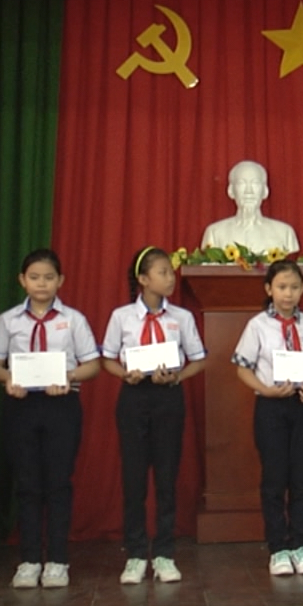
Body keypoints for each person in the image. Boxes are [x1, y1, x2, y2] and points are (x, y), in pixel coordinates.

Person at [0, 249, 101, 589]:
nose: (41, 284)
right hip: (21, 405)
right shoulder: (8, 320)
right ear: (22, 280)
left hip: (61, 405)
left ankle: (58, 560)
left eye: (49, 278)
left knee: (58, 482)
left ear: (60, 281)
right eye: (34, 277)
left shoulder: (74, 319)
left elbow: (92, 365)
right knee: (27, 483)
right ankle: (29, 560)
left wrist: (69, 376)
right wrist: (8, 378)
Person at [101, 246, 209, 585]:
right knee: (134, 479)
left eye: (170, 272)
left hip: (168, 397)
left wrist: (177, 377)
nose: (170, 278)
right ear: (143, 279)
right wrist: (125, 375)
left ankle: (164, 553)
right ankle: (135, 554)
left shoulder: (182, 318)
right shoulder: (122, 316)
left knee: (166, 477)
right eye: (162, 272)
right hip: (134, 397)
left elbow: (199, 359)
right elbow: (107, 358)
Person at [232, 260, 303, 576]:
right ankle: (277, 547)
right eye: (282, 287)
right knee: (275, 477)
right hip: (271, 406)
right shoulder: (258, 325)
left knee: (302, 476)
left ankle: (299, 544)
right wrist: (265, 389)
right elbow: (242, 367)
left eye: (294, 287)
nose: (288, 294)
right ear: (269, 289)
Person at [200, 160, 300, 253]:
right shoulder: (214, 233)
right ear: (231, 191)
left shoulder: (285, 233)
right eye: (241, 183)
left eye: (255, 183)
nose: (249, 191)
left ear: (265, 191)